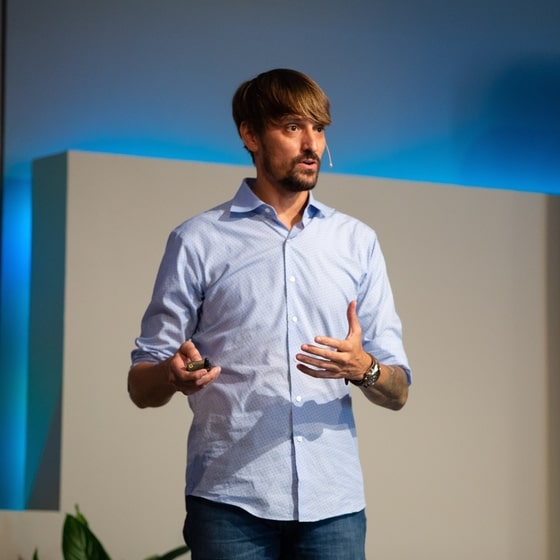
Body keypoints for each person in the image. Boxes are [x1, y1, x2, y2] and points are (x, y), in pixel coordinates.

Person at [128, 68, 411, 560]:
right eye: (292, 127)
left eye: (319, 128)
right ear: (250, 135)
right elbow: (140, 384)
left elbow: (399, 389)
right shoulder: (198, 240)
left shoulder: (357, 242)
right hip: (230, 502)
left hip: (334, 505)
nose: (311, 144)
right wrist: (171, 376)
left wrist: (364, 369)